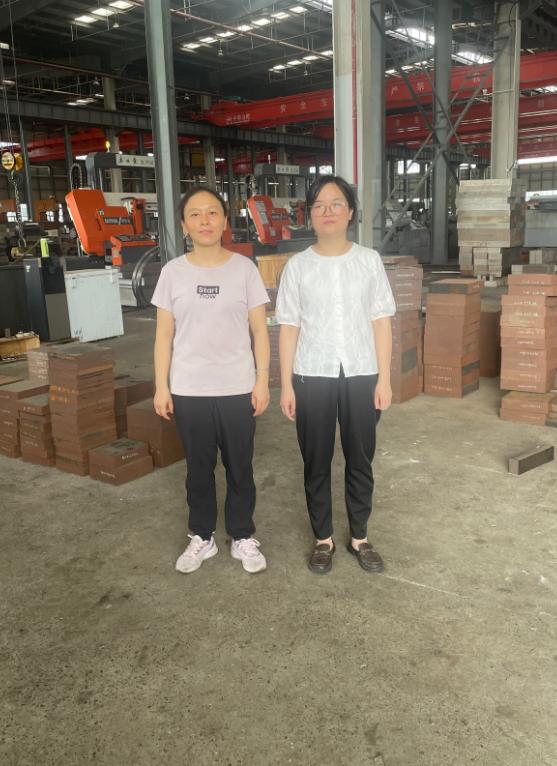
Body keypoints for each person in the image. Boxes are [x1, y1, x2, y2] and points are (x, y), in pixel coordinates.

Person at [276, 175, 395, 575]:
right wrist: (286, 385)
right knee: (316, 460)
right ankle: (323, 538)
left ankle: (360, 536)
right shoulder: (297, 267)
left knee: (360, 458)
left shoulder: (368, 261)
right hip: (312, 374)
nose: (327, 211)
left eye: (336, 203)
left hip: (361, 372)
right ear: (309, 215)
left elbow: (381, 321)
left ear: (350, 212)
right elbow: (288, 326)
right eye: (319, 205)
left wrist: (384, 379)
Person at [151, 187, 270, 575]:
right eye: (195, 214)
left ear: (224, 221)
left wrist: (262, 381)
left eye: (212, 212)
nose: (205, 220)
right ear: (184, 225)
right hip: (190, 389)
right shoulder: (172, 273)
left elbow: (260, 330)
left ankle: (241, 535)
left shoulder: (244, 270)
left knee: (240, 468)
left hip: (237, 387)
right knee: (198, 470)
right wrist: (161, 385)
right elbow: (164, 335)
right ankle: (202, 536)